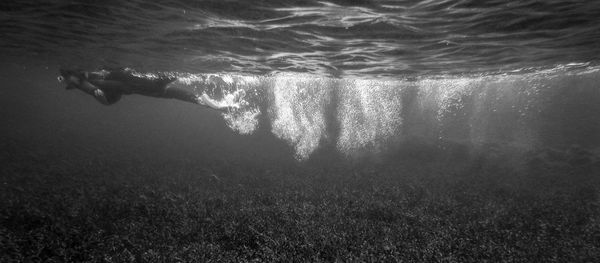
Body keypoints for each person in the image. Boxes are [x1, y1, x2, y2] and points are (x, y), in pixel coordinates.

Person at [57, 68, 234, 111]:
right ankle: (213, 106)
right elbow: (101, 87)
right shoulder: (112, 82)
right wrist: (80, 81)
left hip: (151, 89)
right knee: (180, 90)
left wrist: (81, 80)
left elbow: (100, 86)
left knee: (180, 93)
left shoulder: (113, 82)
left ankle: (213, 106)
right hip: (151, 88)